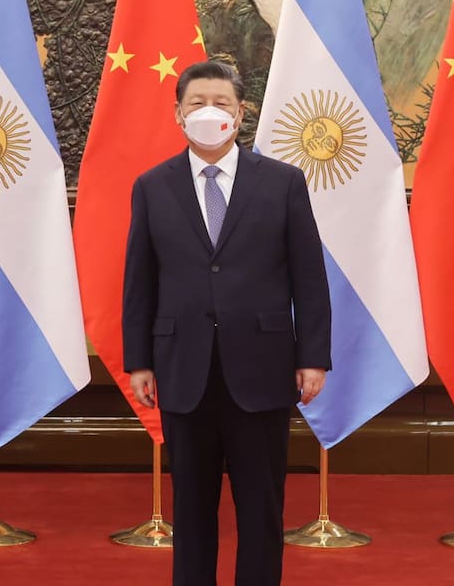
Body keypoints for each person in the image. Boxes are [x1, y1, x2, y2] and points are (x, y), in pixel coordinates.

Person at [123, 60, 331, 586]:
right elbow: (139, 280)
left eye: (222, 102)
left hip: (262, 371)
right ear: (178, 114)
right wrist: (139, 361)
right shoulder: (152, 186)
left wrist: (313, 357)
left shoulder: (283, 182)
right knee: (191, 510)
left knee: (261, 509)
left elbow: (309, 276)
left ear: (241, 113)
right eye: (197, 103)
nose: (209, 111)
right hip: (182, 371)